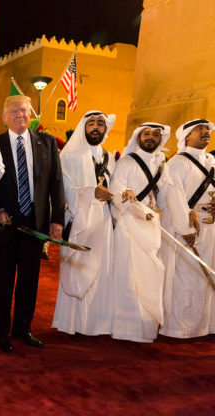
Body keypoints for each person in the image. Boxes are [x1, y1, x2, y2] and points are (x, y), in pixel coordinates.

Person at [0, 95, 64, 353]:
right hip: (5, 223)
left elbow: (56, 182)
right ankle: (1, 333)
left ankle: (23, 329)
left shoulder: (47, 143)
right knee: (2, 280)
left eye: (24, 110)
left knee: (29, 281)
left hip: (35, 223)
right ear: (4, 116)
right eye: (14, 111)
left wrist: (57, 219)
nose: (20, 114)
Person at [52, 111, 116, 339]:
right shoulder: (69, 156)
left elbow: (113, 187)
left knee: (100, 270)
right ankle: (74, 324)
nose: (96, 127)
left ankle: (96, 323)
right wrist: (91, 193)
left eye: (101, 123)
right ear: (83, 127)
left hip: (104, 222)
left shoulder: (109, 157)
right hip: (79, 221)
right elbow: (64, 191)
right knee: (79, 271)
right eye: (91, 123)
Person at [109, 122, 172, 343]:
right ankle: (126, 329)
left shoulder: (162, 163)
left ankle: (146, 326)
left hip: (152, 226)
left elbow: (163, 196)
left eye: (156, 134)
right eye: (147, 134)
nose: (151, 138)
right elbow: (116, 193)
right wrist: (129, 198)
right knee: (129, 276)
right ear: (138, 137)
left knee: (151, 275)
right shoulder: (126, 161)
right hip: (129, 225)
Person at [160, 119, 215, 339]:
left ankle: (208, 325)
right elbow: (174, 197)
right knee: (186, 275)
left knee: (208, 272)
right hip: (189, 227)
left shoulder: (213, 160)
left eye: (207, 130)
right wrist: (185, 228)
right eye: (199, 130)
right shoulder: (177, 163)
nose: (205, 132)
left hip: (212, 226)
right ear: (186, 136)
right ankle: (181, 328)